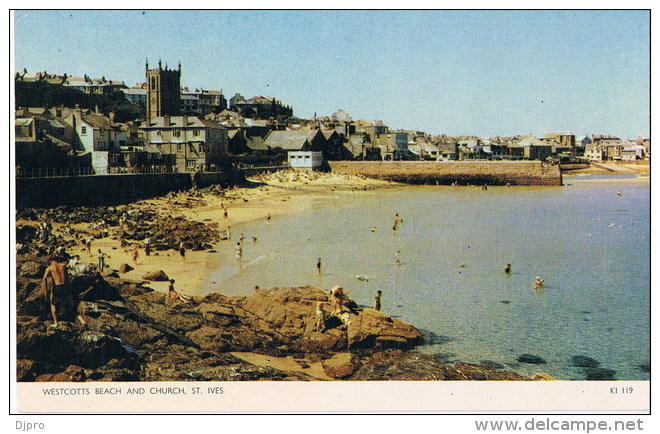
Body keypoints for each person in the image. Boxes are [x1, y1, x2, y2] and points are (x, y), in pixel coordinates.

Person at [41, 256, 68, 328]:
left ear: (51, 261)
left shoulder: (50, 268)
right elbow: (67, 277)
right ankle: (81, 320)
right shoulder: (63, 266)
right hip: (65, 286)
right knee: (68, 304)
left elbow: (44, 278)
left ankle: (56, 323)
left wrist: (46, 291)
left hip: (57, 286)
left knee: (53, 303)